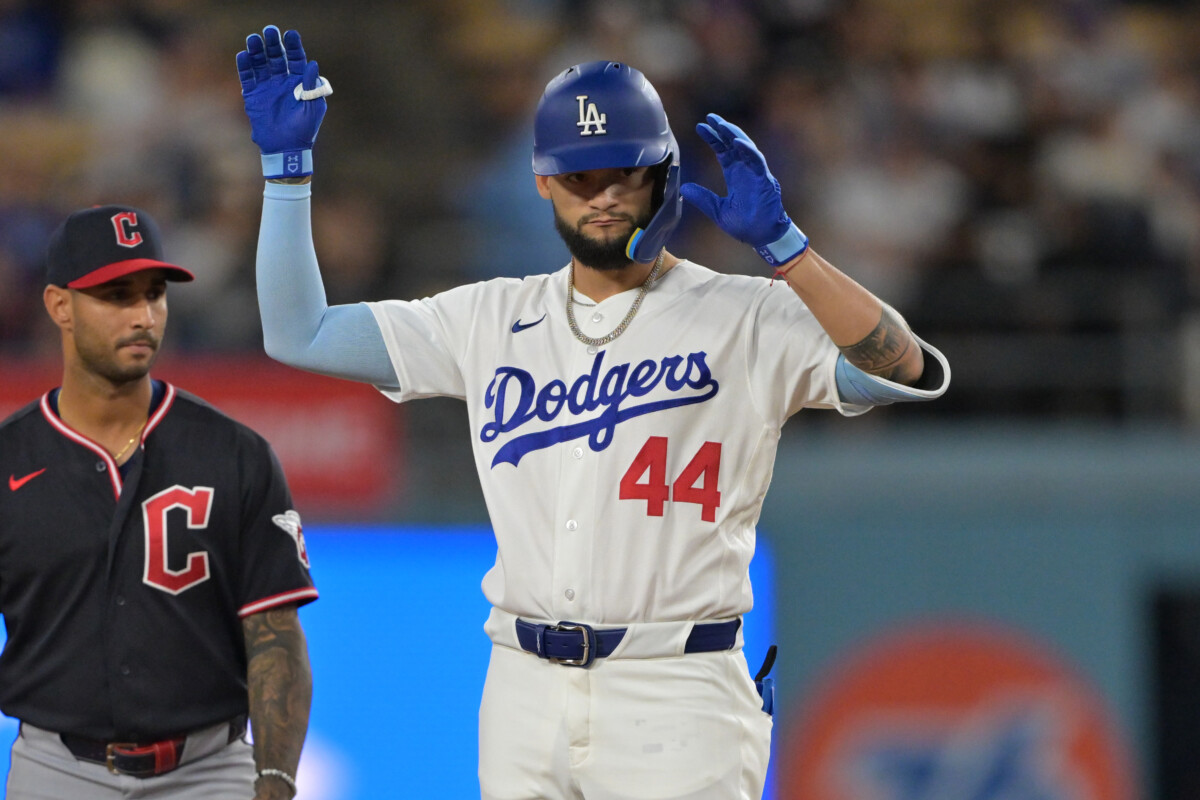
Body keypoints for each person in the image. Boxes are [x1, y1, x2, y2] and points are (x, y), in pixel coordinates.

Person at [236, 25, 950, 800]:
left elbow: (898, 367)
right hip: (522, 686)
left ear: (664, 177)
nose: (603, 194)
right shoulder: (489, 319)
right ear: (543, 183)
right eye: (579, 177)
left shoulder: (747, 315)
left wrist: (787, 247)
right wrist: (286, 175)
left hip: (678, 687)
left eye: (624, 172)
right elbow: (298, 332)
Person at [0, 204, 318, 800]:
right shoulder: (8, 460)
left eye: (154, 294)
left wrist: (274, 781)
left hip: (210, 770)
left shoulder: (236, 454)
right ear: (59, 306)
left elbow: (275, 636)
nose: (143, 316)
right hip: (56, 769)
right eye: (117, 296)